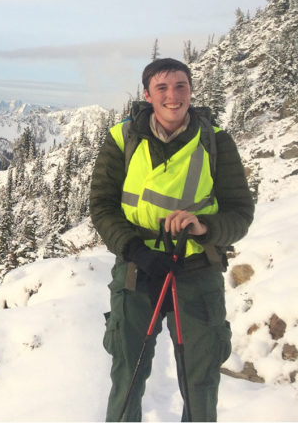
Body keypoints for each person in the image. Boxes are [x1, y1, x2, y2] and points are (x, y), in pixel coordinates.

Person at [90, 57, 254, 421]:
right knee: (127, 374)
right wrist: (135, 250)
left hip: (197, 269)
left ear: (191, 91)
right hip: (138, 270)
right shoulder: (123, 139)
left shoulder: (216, 142)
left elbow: (240, 214)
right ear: (147, 95)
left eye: (181, 86)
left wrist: (204, 228)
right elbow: (101, 206)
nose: (173, 96)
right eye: (162, 88)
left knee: (201, 382)